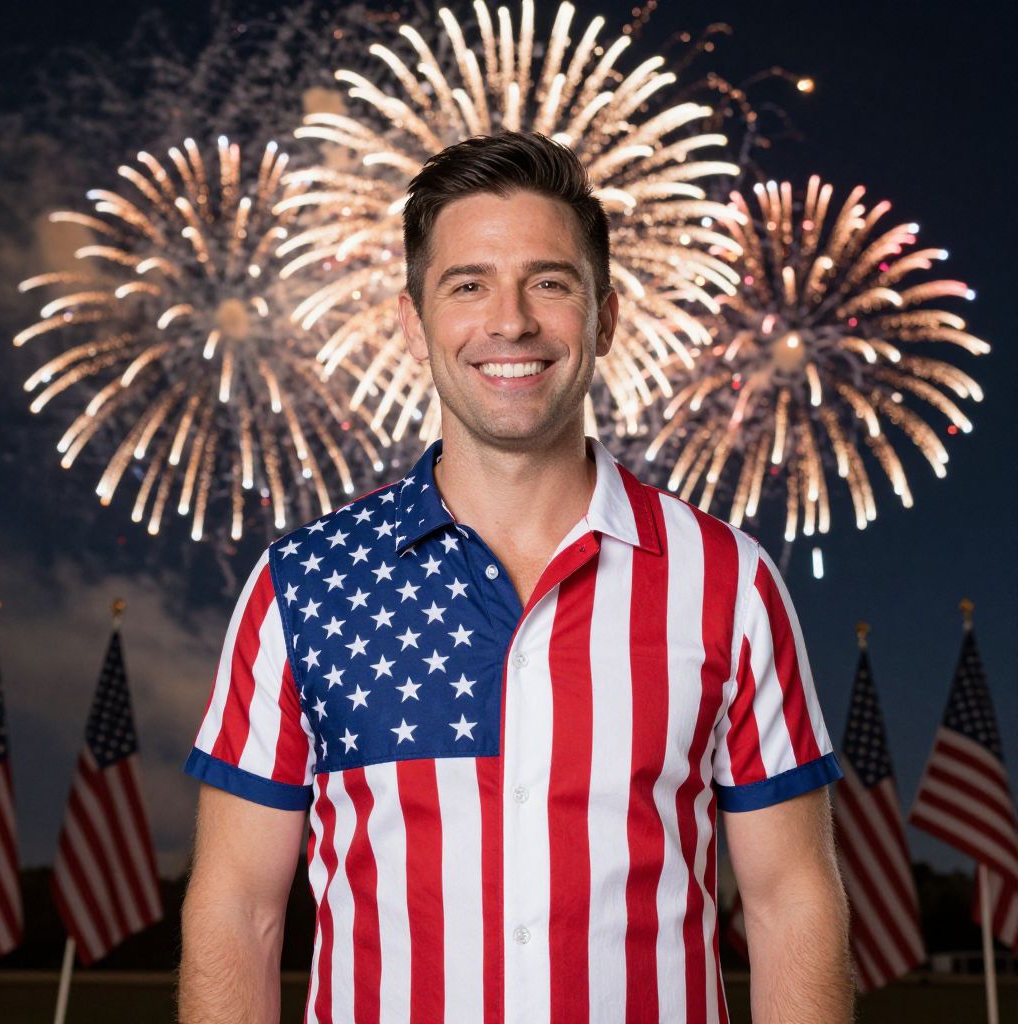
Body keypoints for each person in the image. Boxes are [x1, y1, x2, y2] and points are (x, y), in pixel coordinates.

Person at [179, 131, 853, 1024]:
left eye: (550, 282)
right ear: (416, 321)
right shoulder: (302, 586)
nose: (511, 322)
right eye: (468, 285)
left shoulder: (728, 581)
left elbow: (790, 902)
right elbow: (239, 912)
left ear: (605, 317)